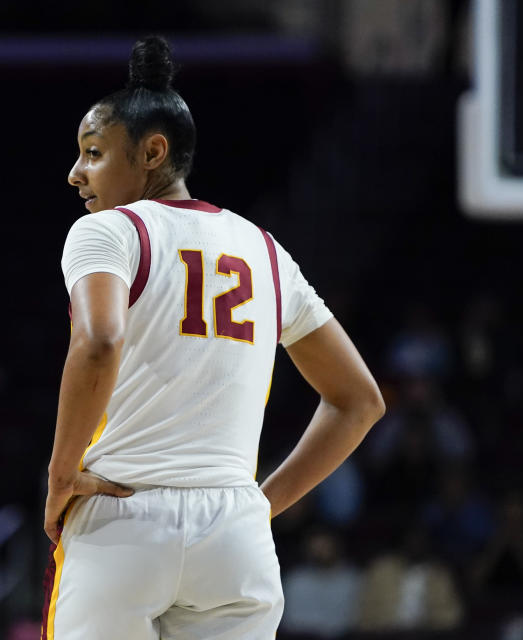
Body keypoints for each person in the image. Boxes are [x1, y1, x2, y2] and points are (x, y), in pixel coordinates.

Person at [42, 36, 384, 639]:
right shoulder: (266, 251)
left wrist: (62, 476)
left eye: (92, 153)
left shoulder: (108, 232)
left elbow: (97, 342)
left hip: (124, 520)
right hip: (233, 537)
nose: (75, 175)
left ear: (152, 151)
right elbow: (359, 401)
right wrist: (258, 507)